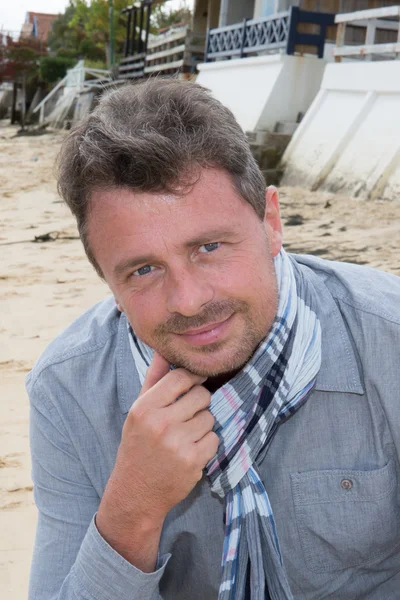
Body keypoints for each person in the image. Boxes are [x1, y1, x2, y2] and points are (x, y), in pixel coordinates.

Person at [27, 79, 400, 600]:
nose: (188, 299)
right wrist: (133, 508)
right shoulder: (67, 391)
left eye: (209, 246)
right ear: (107, 283)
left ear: (271, 221)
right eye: (143, 270)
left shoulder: (387, 339)